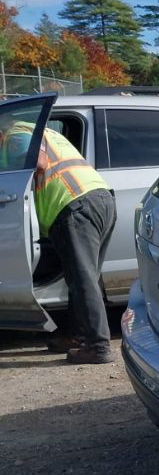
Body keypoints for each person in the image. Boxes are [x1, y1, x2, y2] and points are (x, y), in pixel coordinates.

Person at [0, 113, 117, 364]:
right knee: (84, 275)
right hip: (99, 197)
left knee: (82, 278)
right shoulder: (44, 130)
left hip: (73, 205)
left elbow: (39, 163)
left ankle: (98, 347)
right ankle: (77, 336)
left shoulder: (15, 136)